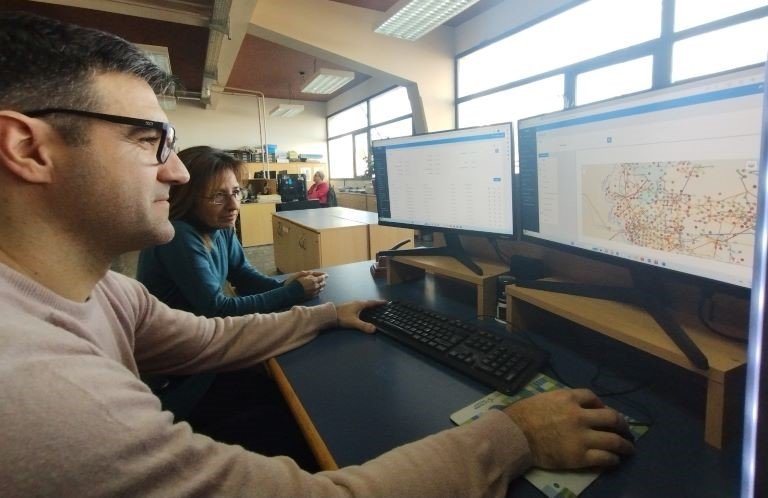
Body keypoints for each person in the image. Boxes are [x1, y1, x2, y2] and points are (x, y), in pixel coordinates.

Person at [0, 11, 634, 497]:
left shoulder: (105, 288)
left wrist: (328, 314)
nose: (176, 172)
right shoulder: (41, 394)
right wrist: (516, 434)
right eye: (148, 141)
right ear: (28, 148)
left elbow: (208, 338)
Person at [136, 145, 327, 318]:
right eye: (218, 196)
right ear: (187, 198)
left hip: (201, 328)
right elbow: (217, 309)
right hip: (177, 338)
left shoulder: (220, 225)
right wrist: (292, 292)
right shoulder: (178, 235)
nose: (234, 206)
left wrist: (283, 285)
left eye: (236, 192)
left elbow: (242, 274)